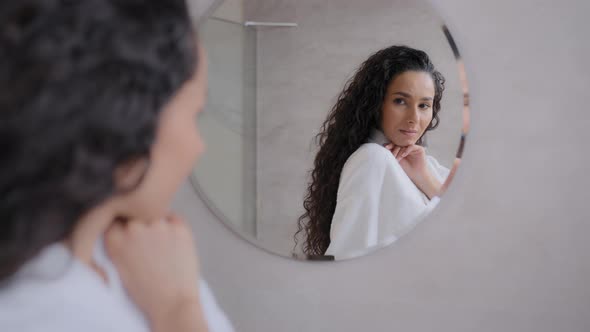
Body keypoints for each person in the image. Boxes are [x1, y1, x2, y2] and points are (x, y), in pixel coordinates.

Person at [0, 1, 233, 331]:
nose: (199, 146)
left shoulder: (152, 256)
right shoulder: (32, 312)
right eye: (196, 114)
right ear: (130, 118)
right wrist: (177, 311)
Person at [297, 45, 455, 260]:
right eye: (400, 101)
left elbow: (473, 228)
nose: (414, 119)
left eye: (424, 105)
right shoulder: (372, 160)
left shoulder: (426, 166)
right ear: (375, 103)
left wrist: (424, 178)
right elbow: (345, 256)